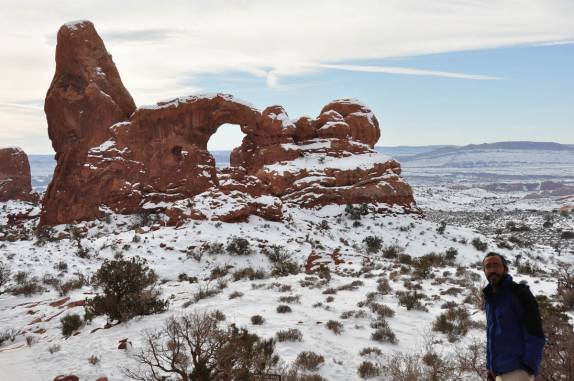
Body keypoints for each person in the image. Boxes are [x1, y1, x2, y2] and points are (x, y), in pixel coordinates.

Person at [482, 252, 545, 381]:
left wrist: (527, 369)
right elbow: (492, 336)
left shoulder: (520, 293)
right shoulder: (490, 299)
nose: (492, 269)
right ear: (484, 271)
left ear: (505, 269)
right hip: (496, 373)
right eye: (488, 266)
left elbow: (535, 334)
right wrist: (490, 368)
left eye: (496, 265)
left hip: (517, 372)